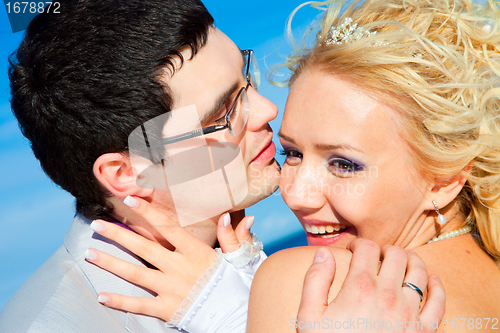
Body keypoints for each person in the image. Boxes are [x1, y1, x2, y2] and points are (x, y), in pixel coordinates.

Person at [0, 0, 444, 332]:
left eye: (245, 81)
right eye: (223, 115)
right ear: (128, 173)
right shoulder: (59, 323)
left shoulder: (242, 261)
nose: (267, 109)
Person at [247, 0, 500, 331]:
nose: (296, 195)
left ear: (443, 179)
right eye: (292, 153)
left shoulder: (309, 282)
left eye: (343, 164)